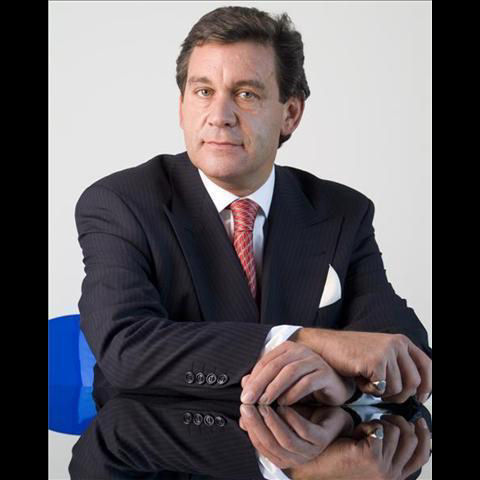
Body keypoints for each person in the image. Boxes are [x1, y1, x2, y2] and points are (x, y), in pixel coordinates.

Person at [75, 6, 431, 415]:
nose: (220, 117)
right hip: (160, 443)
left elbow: (405, 351)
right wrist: (305, 341)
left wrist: (341, 384)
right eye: (203, 92)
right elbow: (127, 349)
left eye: (246, 94)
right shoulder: (121, 204)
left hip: (313, 447)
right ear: (182, 106)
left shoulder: (341, 212)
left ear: (290, 114)